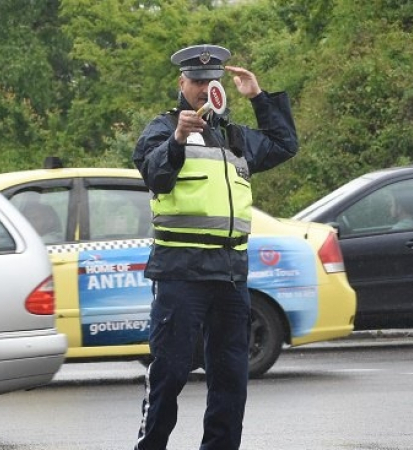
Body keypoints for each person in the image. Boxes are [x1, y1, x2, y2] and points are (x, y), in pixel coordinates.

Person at [132, 44, 299, 450]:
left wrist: (258, 97)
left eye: (213, 82)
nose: (205, 88)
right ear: (182, 83)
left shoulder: (234, 136)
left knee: (230, 378)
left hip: (230, 273)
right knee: (169, 373)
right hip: (181, 273)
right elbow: (154, 175)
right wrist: (177, 138)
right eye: (197, 81)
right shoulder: (162, 128)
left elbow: (283, 143)